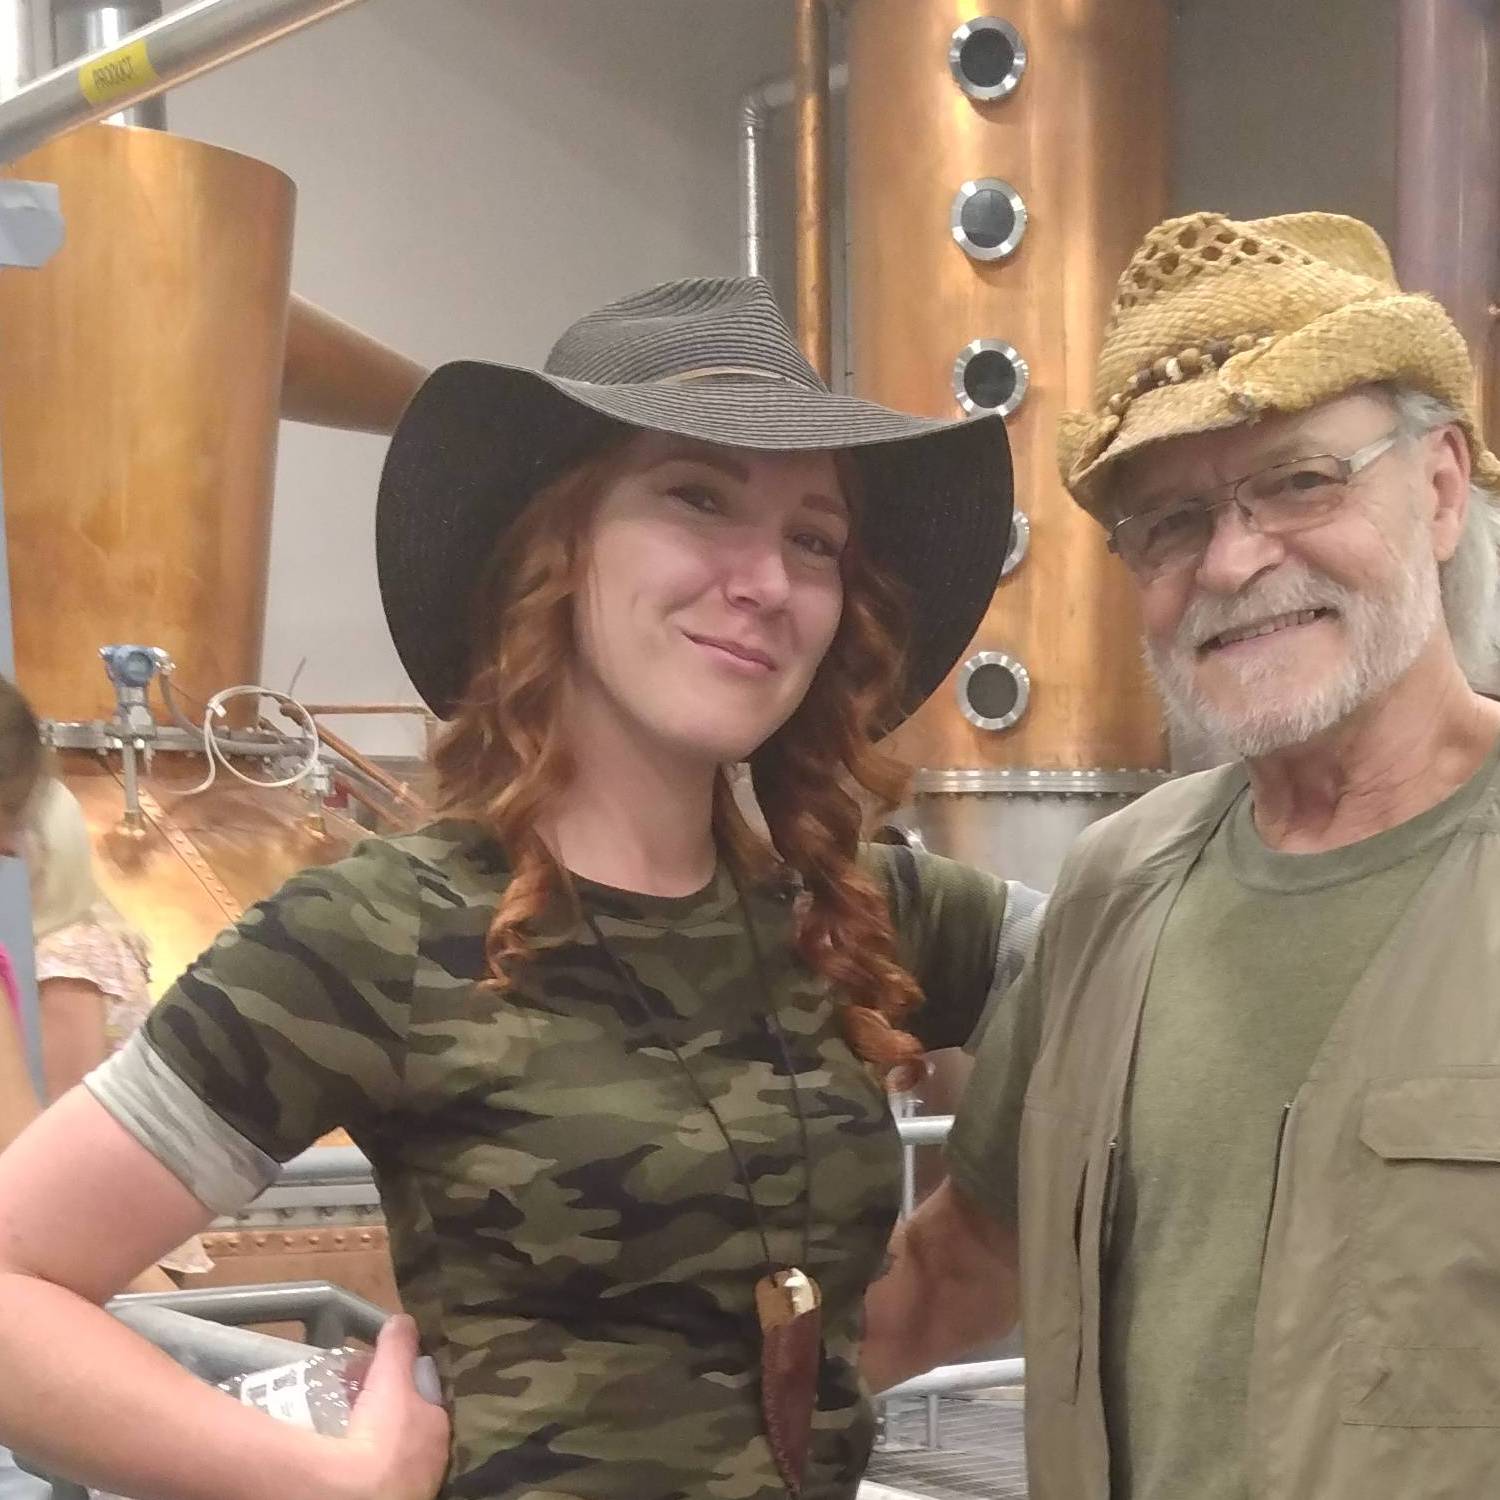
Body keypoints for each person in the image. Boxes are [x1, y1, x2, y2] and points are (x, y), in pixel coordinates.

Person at [0, 277, 1035, 1500]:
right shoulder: (379, 935)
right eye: (698, 496)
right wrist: (317, 1483)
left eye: (814, 538)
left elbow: (1143, 945)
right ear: (558, 545)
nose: (766, 578)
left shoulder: (861, 914)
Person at [864, 210, 1500, 1500]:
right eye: (1168, 522)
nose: (1233, 560)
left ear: (1439, 488)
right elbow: (966, 1260)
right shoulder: (1119, 887)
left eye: (1301, 482)